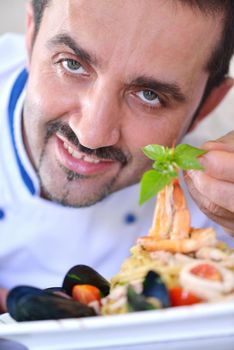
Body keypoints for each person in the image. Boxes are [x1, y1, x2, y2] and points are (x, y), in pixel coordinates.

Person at [0, 0, 234, 312]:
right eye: (72, 64)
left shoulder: (218, 205)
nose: (91, 134)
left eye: (149, 95)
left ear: (207, 106)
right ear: (30, 36)